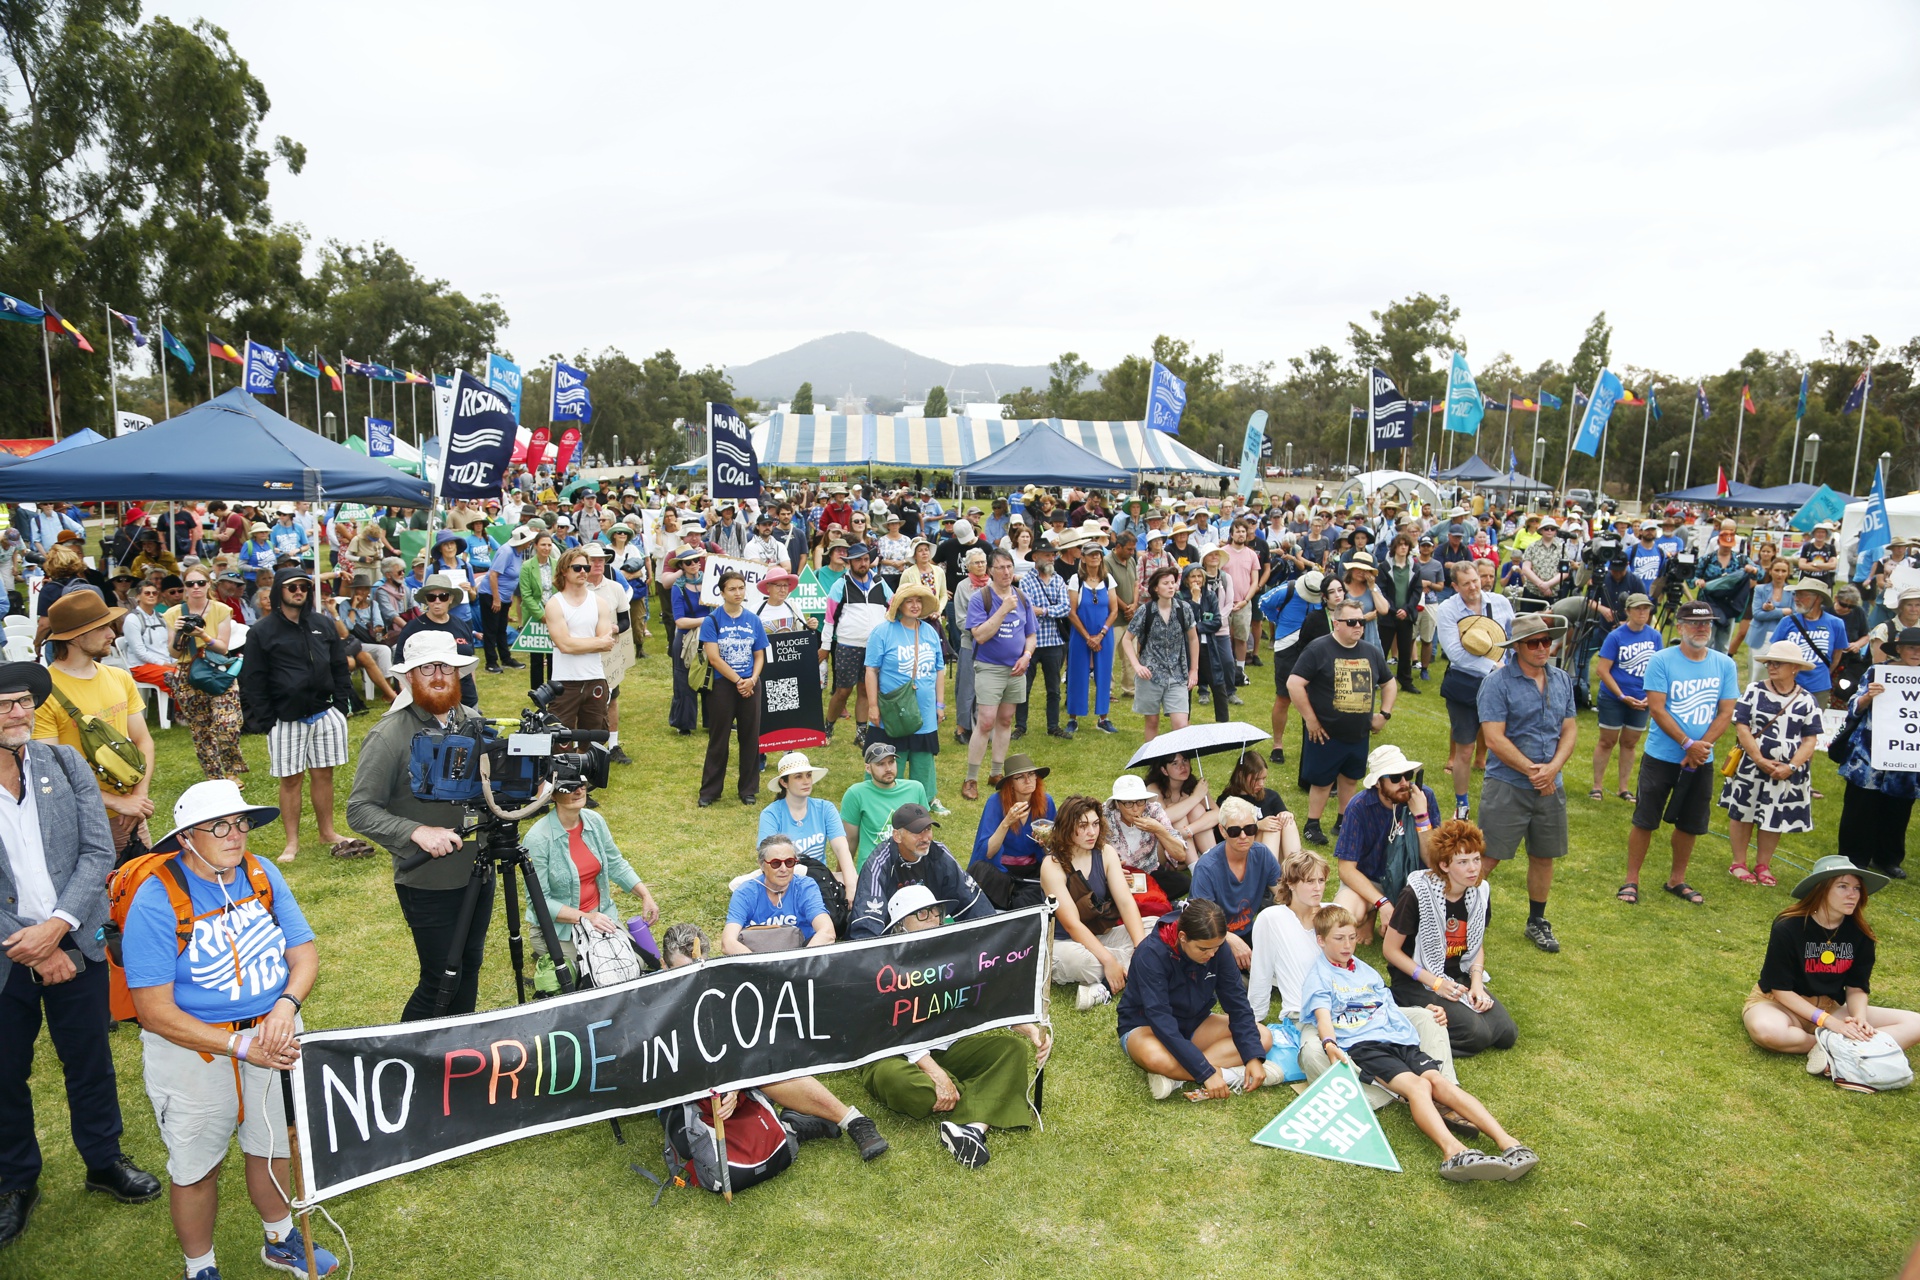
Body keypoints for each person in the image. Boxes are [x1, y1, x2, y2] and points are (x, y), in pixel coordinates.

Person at [122, 780, 337, 1278]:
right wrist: (240, 1045)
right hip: (193, 1049)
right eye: (218, 826)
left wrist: (285, 1007)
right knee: (196, 1167)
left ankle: (280, 1240)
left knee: (275, 1146)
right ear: (185, 838)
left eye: (239, 823)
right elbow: (154, 1011)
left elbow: (302, 953)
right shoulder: (156, 901)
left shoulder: (261, 874)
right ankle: (200, 1267)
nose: (235, 835)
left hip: (275, 1034)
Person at [0, 662, 161, 1251]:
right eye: (5, 704)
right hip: (8, 955)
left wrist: (59, 932)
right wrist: (33, 948)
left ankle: (103, 1160)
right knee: (4, 1072)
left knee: (90, 1060)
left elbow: (98, 851)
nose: (19, 714)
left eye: (24, 702)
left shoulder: (64, 763)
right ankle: (15, 1181)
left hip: (74, 944)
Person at [1305, 905, 1537, 1181]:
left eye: (1352, 937)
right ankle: (1454, 1152)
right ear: (1321, 940)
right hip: (1365, 1045)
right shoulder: (1319, 976)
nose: (1348, 945)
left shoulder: (1365, 971)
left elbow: (1388, 1005)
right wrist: (1330, 1043)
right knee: (1418, 1086)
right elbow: (1322, 1017)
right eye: (1339, 938)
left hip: (1399, 1039)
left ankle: (1508, 1143)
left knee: (1439, 1082)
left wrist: (1426, 1008)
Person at [345, 632, 495, 1020]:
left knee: (470, 966)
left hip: (478, 872)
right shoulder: (389, 734)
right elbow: (359, 809)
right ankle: (408, 1060)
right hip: (428, 880)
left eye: (446, 666)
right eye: (427, 668)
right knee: (439, 979)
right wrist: (417, 832)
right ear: (410, 677)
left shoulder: (473, 721)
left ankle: (459, 1053)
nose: (438, 676)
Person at [658, 924, 892, 1161]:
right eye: (681, 971)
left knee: (764, 1062)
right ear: (663, 965)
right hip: (685, 1097)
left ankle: (853, 1121)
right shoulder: (649, 1004)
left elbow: (742, 1043)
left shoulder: (716, 986)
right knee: (690, 1146)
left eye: (699, 968)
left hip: (729, 1083)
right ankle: (791, 1127)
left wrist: (736, 1080)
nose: (692, 978)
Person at [858, 885, 1048, 1170]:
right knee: (897, 1082)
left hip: (949, 1046)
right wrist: (935, 1073)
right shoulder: (883, 965)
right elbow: (892, 1029)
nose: (933, 918)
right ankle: (978, 1094)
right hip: (894, 1053)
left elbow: (986, 998)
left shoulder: (956, 951)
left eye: (936, 911)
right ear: (900, 926)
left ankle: (971, 1129)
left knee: (1011, 1051)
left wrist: (1028, 1028)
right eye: (922, 914)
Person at [1742, 856, 1920, 1083]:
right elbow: (1780, 990)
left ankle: (1841, 1047)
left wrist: (1859, 1019)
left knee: (1916, 1023)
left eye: (1856, 888)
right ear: (1821, 889)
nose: (1852, 894)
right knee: (1767, 1031)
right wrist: (1830, 1024)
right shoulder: (1788, 927)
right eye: (1843, 886)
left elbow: (1856, 986)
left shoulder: (1860, 934)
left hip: (1829, 1005)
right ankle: (1839, 1048)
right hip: (1779, 1005)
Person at [1621, 601, 1740, 907]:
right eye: (1695, 623)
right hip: (1662, 755)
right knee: (1645, 819)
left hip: (1702, 759)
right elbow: (1657, 709)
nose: (1702, 629)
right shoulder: (1662, 660)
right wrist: (1688, 743)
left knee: (1690, 822)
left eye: (1707, 624)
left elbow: (1726, 712)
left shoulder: (1724, 664)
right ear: (1681, 626)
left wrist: (1702, 748)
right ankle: (1631, 880)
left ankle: (1677, 878)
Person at [1477, 612, 1577, 953]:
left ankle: (1537, 920)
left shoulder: (1561, 679)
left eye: (1546, 641)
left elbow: (1570, 729)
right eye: (1534, 642)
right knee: (1488, 856)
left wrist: (1553, 769)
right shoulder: (1497, 683)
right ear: (1517, 646)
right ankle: (1459, 914)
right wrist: (1537, 772)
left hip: (1551, 784)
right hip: (1507, 784)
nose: (1542, 648)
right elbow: (1494, 738)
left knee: (1544, 855)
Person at [32, 592, 157, 865]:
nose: (112, 633)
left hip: (130, 817)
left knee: (139, 891)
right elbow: (50, 773)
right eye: (101, 627)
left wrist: (138, 798)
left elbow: (143, 741)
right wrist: (115, 802)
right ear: (76, 637)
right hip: (82, 822)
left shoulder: (119, 677)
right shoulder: (45, 692)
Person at [1380, 820, 1517, 1056]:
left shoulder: (1480, 891)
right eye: (1463, 862)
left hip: (1458, 975)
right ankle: (1407, 1018)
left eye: (1476, 859)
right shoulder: (1416, 894)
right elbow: (1390, 950)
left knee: (1506, 1033)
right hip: (1415, 981)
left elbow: (1476, 944)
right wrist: (1436, 983)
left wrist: (1476, 985)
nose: (1473, 869)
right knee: (1476, 1035)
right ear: (1444, 865)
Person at [1118, 899, 1273, 1100]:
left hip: (1194, 1022)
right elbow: (1160, 1019)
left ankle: (1177, 1077)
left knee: (1262, 1037)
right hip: (1146, 1026)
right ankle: (1226, 1075)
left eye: (1216, 947)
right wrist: (1205, 1072)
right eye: (1203, 949)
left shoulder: (1218, 948)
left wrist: (1252, 1057)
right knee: (1155, 1057)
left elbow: (1237, 1004)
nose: (1211, 954)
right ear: (1183, 937)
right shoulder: (1149, 953)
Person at [525, 776, 658, 989]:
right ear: (553, 794)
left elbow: (616, 864)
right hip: (561, 927)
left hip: (601, 917)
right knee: (586, 974)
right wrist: (587, 918)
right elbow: (538, 901)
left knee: (634, 964)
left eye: (582, 785)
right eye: (569, 787)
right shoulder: (537, 838)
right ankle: (549, 949)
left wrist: (645, 895)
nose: (579, 791)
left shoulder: (594, 821)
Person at [1288, 595, 1395, 846]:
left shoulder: (1371, 652)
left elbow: (1389, 683)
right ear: (1336, 623)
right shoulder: (1318, 648)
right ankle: (1312, 824)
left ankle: (1343, 821)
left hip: (1358, 733)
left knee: (1350, 778)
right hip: (1325, 732)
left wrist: (1384, 714)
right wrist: (1311, 720)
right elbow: (1294, 684)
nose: (1358, 626)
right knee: (1322, 780)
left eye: (1361, 622)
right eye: (1351, 622)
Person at [1720, 640, 1823, 887]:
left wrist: (1792, 767)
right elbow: (1742, 726)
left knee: (1774, 814)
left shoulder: (1807, 700)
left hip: (1786, 771)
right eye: (1769, 662)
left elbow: (1810, 739)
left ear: (1795, 668)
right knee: (1743, 811)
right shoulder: (1754, 690)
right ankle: (1738, 863)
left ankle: (1763, 865)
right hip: (1751, 764)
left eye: (1778, 662)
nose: (1771, 666)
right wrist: (1758, 759)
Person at [1834, 626, 1920, 881]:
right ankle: (1852, 857)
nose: (1916, 652)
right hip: (1868, 756)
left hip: (1907, 758)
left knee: (1898, 810)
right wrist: (1868, 698)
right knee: (1860, 807)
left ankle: (1888, 859)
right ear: (1899, 650)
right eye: (1911, 648)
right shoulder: (1878, 672)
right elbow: (1853, 707)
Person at [1433, 559, 1515, 821]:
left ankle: (1504, 800)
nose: (1473, 587)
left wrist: (1512, 668)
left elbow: (1513, 637)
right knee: (1464, 747)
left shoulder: (1500, 602)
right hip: (1465, 684)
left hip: (1502, 683)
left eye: (1476, 581)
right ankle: (1462, 804)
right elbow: (1454, 652)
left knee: (1503, 743)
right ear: (1455, 585)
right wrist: (1493, 665)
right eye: (1466, 583)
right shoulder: (1447, 609)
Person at [847, 803, 993, 938]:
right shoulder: (878, 864)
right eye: (917, 832)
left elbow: (975, 906)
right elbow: (866, 929)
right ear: (897, 836)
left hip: (932, 936)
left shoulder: (939, 854)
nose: (925, 838)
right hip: (892, 941)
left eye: (928, 829)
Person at [863, 581, 947, 814]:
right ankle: (876, 797)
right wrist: (872, 706)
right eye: (909, 601)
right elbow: (871, 670)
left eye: (918, 600)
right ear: (898, 605)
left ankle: (927, 799)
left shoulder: (930, 631)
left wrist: (940, 705)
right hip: (892, 710)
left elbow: (939, 669)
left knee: (923, 757)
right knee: (886, 756)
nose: (914, 605)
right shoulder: (883, 631)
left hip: (925, 709)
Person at [961, 548, 1038, 799]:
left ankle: (996, 772)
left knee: (1005, 720)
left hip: (1016, 668)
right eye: (1001, 567)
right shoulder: (980, 598)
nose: (1006, 572)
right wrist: (1003, 609)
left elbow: (1031, 635)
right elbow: (980, 635)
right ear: (991, 571)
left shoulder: (1022, 597)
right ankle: (970, 778)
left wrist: (1026, 656)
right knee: (985, 721)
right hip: (989, 667)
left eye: (1009, 567)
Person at [163, 568, 246, 784]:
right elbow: (173, 652)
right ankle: (215, 777)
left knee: (227, 724)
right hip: (188, 673)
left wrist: (202, 635)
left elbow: (222, 647)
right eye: (190, 584)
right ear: (185, 588)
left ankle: (232, 771)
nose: (196, 588)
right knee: (201, 730)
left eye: (200, 582)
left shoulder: (221, 609)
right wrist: (181, 633)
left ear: (209, 584)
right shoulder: (174, 614)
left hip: (216, 670)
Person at [1189, 797, 1289, 970]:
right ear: (1223, 831)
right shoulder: (1207, 867)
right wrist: (1229, 939)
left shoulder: (1262, 854)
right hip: (1214, 937)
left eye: (1250, 829)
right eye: (1235, 831)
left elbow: (1283, 894)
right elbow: (1201, 920)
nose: (1243, 836)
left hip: (1248, 931)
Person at [1590, 593, 1660, 802]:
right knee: (1607, 741)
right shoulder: (1616, 636)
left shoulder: (1655, 636)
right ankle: (1597, 786)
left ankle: (1624, 788)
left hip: (1641, 699)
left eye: (1646, 608)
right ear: (1628, 611)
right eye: (1638, 608)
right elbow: (1602, 671)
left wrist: (1651, 696)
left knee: (1630, 743)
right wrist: (1621, 695)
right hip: (1614, 697)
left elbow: (1658, 669)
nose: (1642, 612)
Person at [821, 543, 891, 741]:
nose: (863, 563)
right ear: (850, 562)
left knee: (865, 689)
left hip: (874, 646)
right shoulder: (840, 584)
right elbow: (829, 618)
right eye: (859, 560)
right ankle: (828, 727)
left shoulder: (880, 582)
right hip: (847, 645)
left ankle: (861, 733)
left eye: (866, 559)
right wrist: (825, 647)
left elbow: (893, 605)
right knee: (843, 691)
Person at [1122, 565, 1199, 743]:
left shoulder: (1184, 609)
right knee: (1152, 722)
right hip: (1150, 675)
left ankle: (1181, 764)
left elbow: (1193, 639)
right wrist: (1137, 666)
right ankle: (1154, 765)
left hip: (1178, 675)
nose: (1171, 586)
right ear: (1156, 588)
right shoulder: (1145, 611)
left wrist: (1194, 670)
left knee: (1181, 725)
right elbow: (1127, 640)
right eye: (1166, 583)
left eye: (1173, 583)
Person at [968, 754, 1055, 911]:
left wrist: (1046, 843)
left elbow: (1052, 852)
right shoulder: (995, 802)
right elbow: (987, 853)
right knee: (980, 871)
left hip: (1033, 872)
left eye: (1031, 775)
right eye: (1020, 777)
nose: (1028, 781)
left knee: (1055, 879)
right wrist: (1006, 822)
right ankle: (1013, 902)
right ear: (1011, 784)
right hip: (1002, 872)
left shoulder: (1046, 802)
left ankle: (1013, 903)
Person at [544, 545, 617, 731]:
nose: (583, 572)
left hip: (595, 677)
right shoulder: (555, 604)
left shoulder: (599, 602)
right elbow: (565, 645)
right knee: (560, 738)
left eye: (587, 567)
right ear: (564, 571)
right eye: (577, 568)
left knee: (594, 736)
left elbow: (607, 643)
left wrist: (578, 643)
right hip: (565, 680)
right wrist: (596, 642)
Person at [723, 833, 834, 953]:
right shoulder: (745, 893)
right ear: (762, 864)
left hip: (801, 957)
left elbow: (827, 931)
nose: (783, 869)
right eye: (776, 863)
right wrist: (760, 965)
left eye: (789, 862)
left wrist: (802, 961)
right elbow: (728, 942)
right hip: (756, 960)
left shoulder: (805, 887)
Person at [758, 752, 857, 887]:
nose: (806, 781)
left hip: (820, 881)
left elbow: (841, 849)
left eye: (808, 775)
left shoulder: (825, 808)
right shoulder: (771, 814)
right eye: (798, 777)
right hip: (784, 881)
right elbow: (767, 858)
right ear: (784, 782)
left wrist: (851, 886)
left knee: (854, 880)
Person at [394, 572, 481, 708]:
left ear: (451, 599)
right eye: (431, 597)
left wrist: (474, 692)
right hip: (433, 703)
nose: (437, 601)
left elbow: (469, 661)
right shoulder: (412, 628)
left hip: (468, 701)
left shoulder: (462, 625)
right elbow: (401, 667)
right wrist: (411, 703)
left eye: (443, 596)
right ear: (426, 600)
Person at [1014, 539, 1072, 740]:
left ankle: (1053, 726)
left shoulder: (1058, 579)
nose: (1052, 557)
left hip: (1054, 642)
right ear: (1036, 556)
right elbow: (1027, 609)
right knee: (1024, 687)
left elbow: (1066, 608)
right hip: (1031, 642)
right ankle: (1020, 726)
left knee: (1054, 688)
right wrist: (1049, 610)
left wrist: (1044, 610)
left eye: (1053, 554)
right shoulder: (1026, 581)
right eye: (1048, 554)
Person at [840, 741, 929, 869]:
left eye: (891, 762)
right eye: (880, 764)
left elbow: (924, 833)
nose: (888, 769)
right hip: (872, 869)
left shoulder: (916, 788)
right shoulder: (855, 794)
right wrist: (842, 875)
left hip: (910, 867)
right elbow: (850, 841)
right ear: (868, 768)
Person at [1064, 542, 1119, 735]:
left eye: (1098, 554)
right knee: (1077, 673)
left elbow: (1114, 610)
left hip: (1104, 635)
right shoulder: (1075, 580)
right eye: (1091, 554)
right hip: (1081, 635)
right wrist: (1088, 637)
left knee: (1104, 673)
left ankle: (1103, 718)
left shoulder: (1108, 579)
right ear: (1083, 558)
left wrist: (1101, 634)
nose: (1095, 557)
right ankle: (1073, 718)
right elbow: (1071, 612)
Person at [1769, 578, 1846, 705]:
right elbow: (1774, 652)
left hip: (1819, 687)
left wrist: (1823, 673)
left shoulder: (1836, 624)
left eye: (1802, 595)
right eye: (1796, 594)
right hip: (1786, 685)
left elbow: (1837, 655)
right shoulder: (1787, 622)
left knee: (1813, 723)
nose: (1796, 599)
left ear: (1818, 598)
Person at [666, 545, 709, 734]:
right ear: (681, 566)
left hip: (710, 637)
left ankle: (715, 720)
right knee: (684, 681)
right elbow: (680, 621)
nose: (693, 564)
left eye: (696, 560)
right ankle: (684, 724)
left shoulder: (711, 582)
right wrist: (706, 620)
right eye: (688, 562)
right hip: (685, 641)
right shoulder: (678, 588)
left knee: (713, 679)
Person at [518, 528, 563, 692]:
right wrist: (542, 616)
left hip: (555, 614)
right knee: (536, 658)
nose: (546, 548)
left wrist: (553, 613)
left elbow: (561, 588)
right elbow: (527, 595)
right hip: (535, 616)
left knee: (554, 655)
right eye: (543, 544)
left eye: (549, 545)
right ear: (535, 546)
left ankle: (553, 690)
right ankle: (537, 692)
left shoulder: (557, 564)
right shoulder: (526, 567)